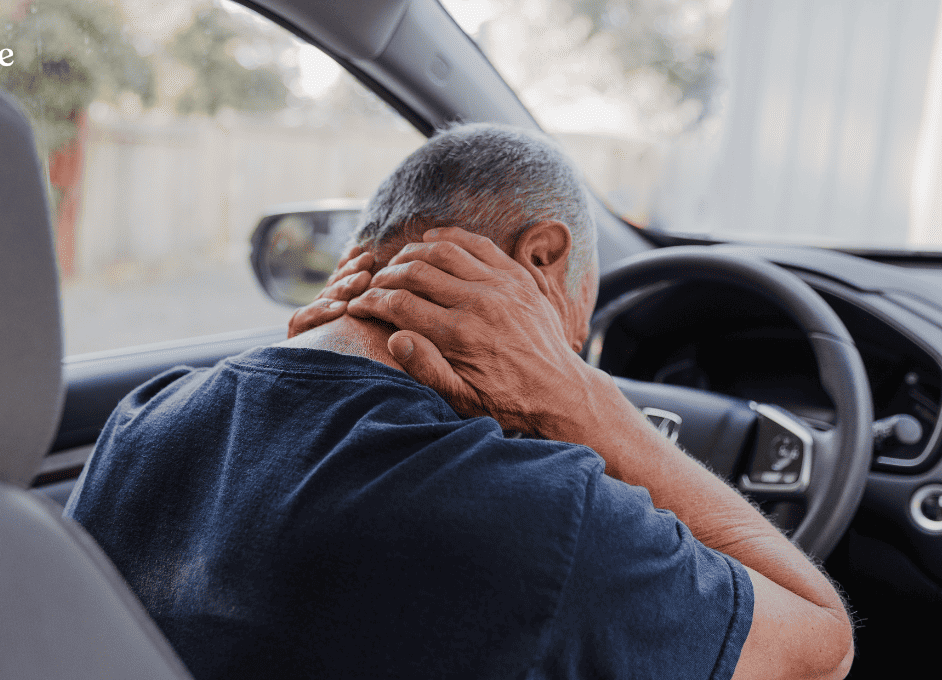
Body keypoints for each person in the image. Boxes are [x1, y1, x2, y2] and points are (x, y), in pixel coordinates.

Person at [65, 124, 853, 679]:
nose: (563, 359)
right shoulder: (542, 515)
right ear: (542, 258)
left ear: (357, 261)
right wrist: (582, 402)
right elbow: (820, 648)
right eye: (570, 336)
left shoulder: (147, 423)